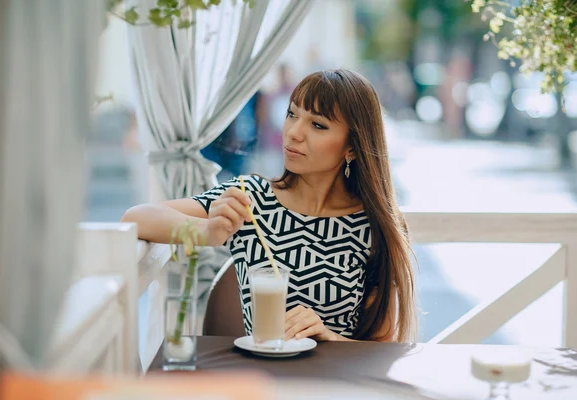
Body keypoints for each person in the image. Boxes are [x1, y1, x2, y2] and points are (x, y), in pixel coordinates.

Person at [122, 70, 417, 342]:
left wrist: (329, 337)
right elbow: (138, 216)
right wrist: (206, 232)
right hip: (259, 382)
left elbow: (383, 346)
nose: (293, 132)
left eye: (317, 124)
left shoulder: (373, 226)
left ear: (352, 145)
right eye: (292, 114)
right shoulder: (252, 198)